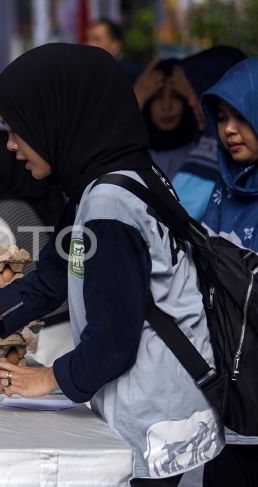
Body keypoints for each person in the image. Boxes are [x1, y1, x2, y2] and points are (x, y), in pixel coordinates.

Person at [0, 44, 223, 485]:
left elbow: (113, 338)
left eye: (16, 130)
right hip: (158, 404)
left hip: (154, 414)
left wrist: (47, 378)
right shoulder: (112, 180)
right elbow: (53, 277)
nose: (10, 146)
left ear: (56, 120)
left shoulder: (108, 203)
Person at [199, 58, 258, 487]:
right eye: (222, 118)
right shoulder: (225, 189)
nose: (229, 130)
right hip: (224, 397)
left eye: (242, 115)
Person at [170, 46, 246, 220]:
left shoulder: (218, 145)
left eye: (193, 94)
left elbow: (177, 214)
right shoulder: (208, 139)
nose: (191, 103)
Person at [134, 58, 203, 179]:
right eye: (157, 97)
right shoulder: (132, 148)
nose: (167, 107)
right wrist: (136, 99)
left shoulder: (202, 146)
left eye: (176, 97)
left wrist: (194, 94)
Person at [85, 18, 141, 83]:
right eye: (88, 38)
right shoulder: (83, 71)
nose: (89, 43)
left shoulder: (130, 74)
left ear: (115, 45)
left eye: (97, 39)